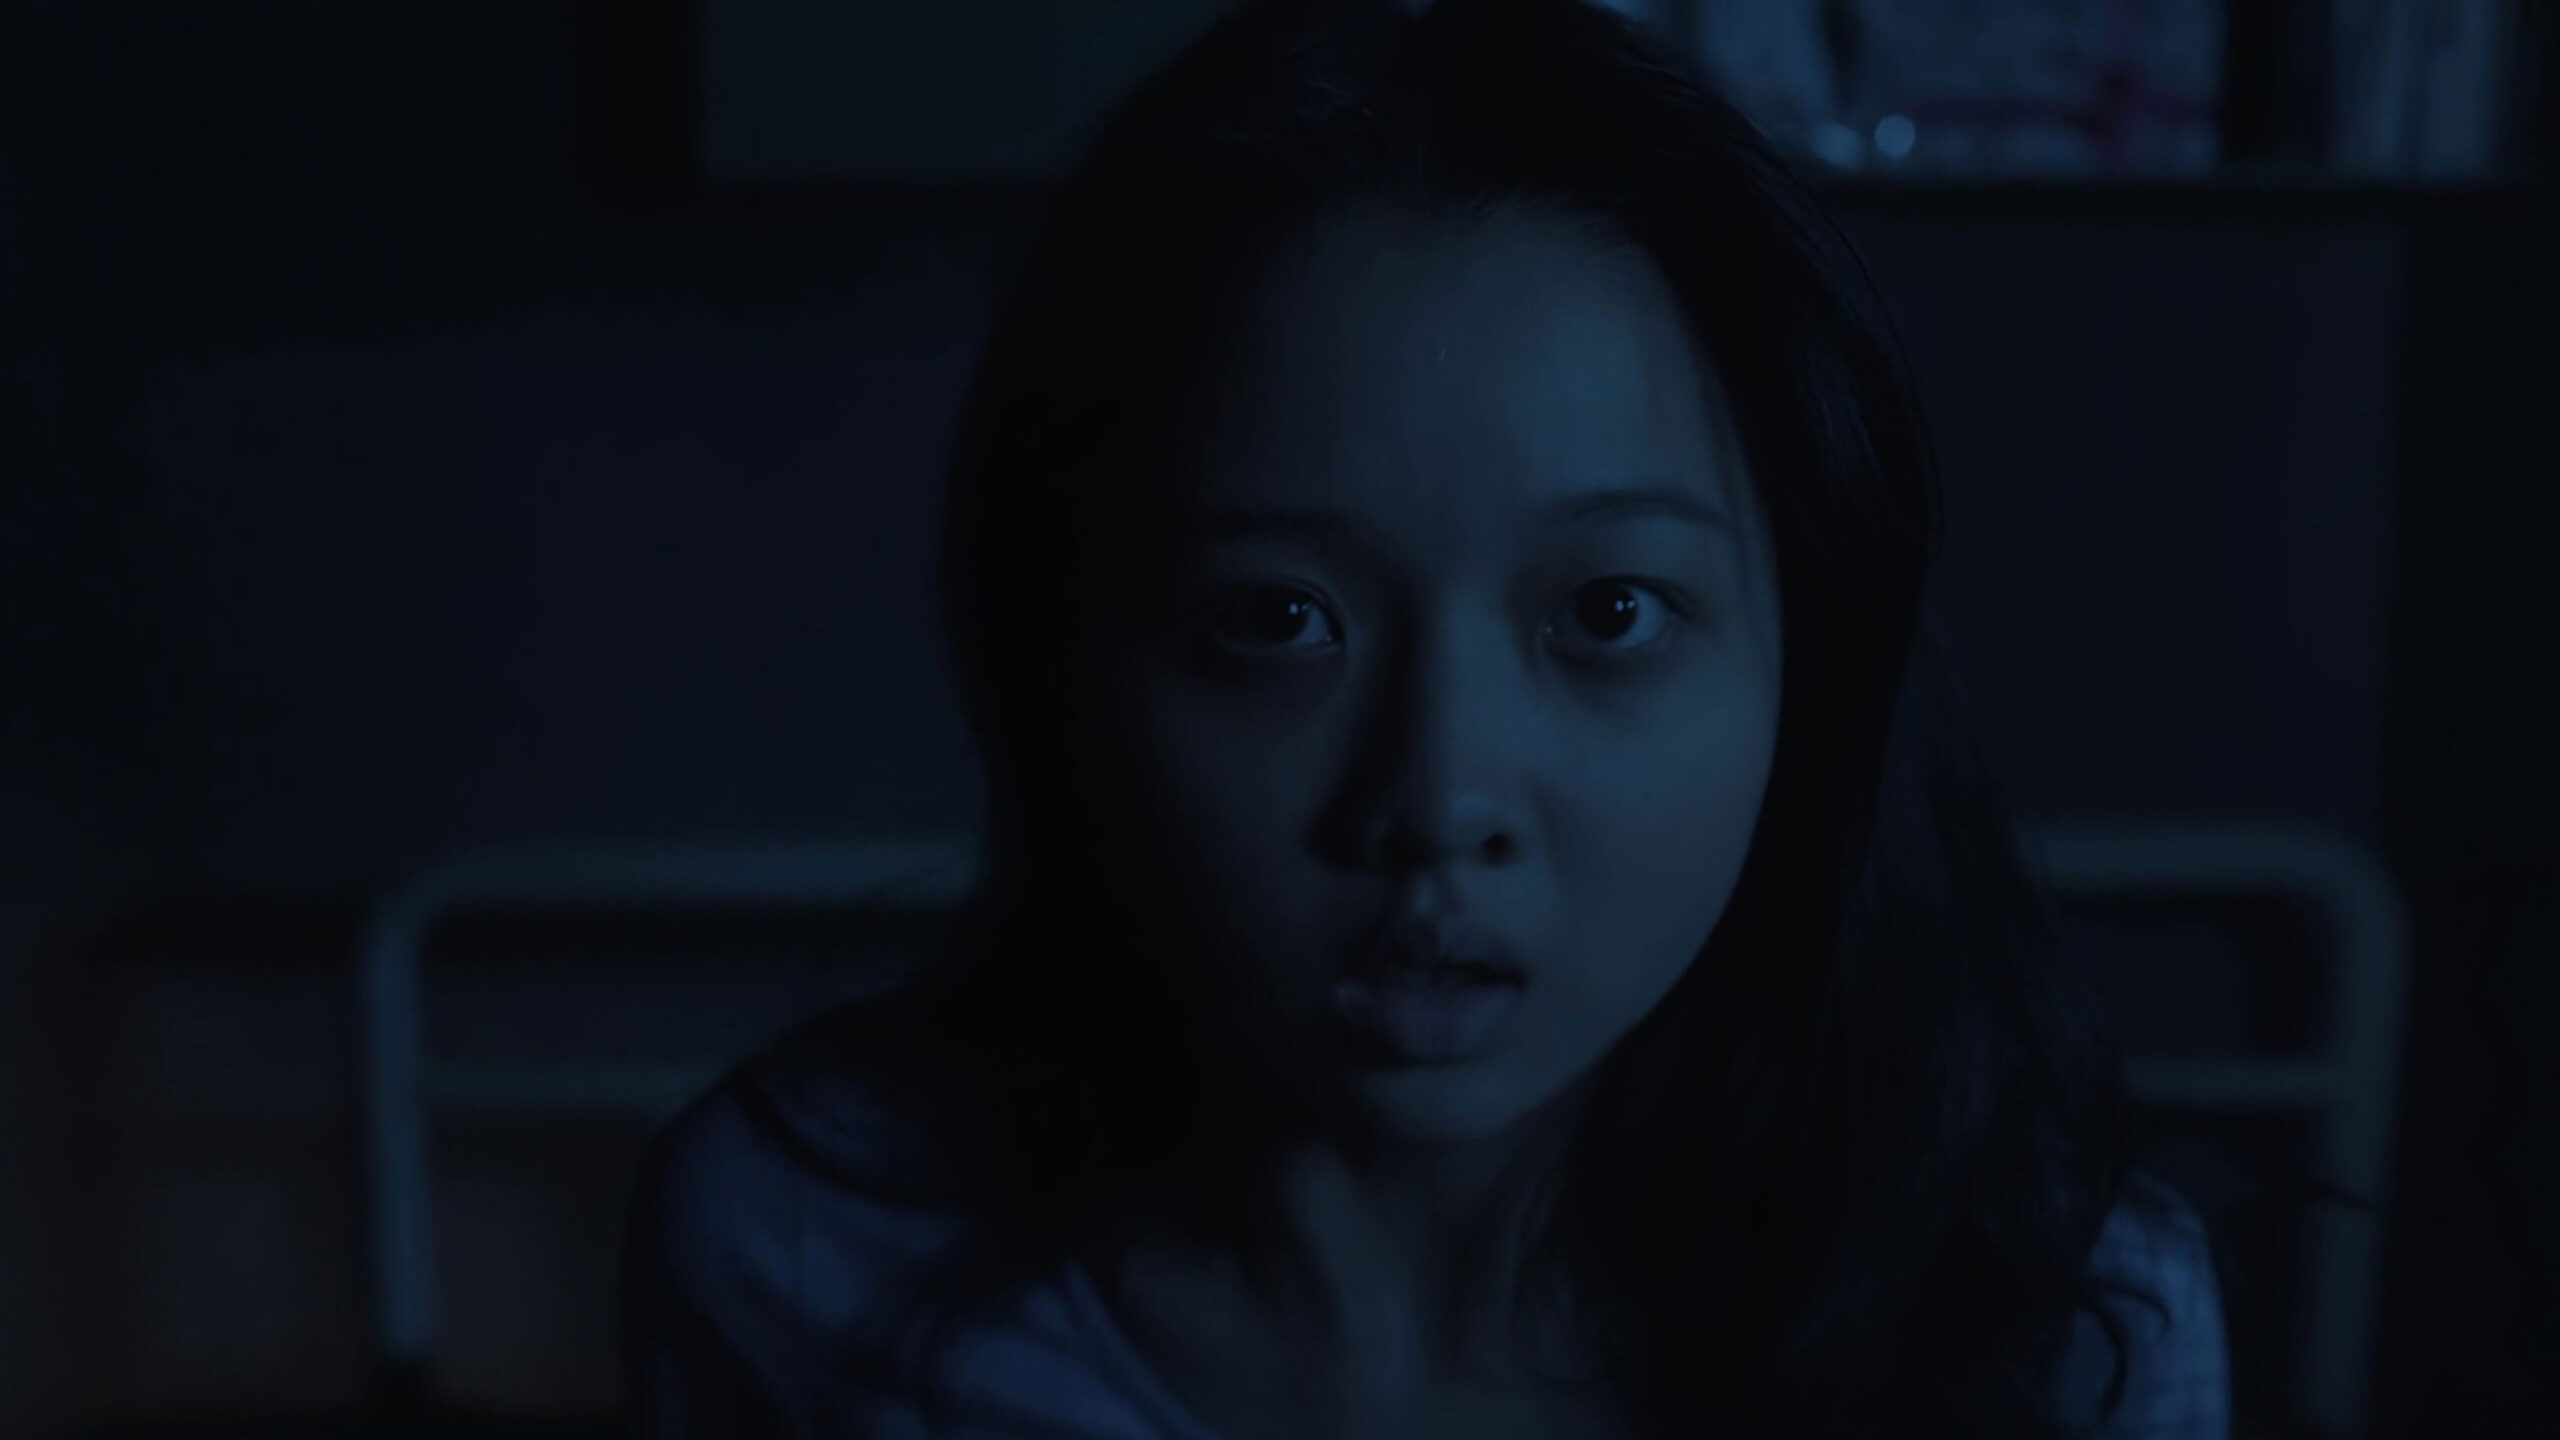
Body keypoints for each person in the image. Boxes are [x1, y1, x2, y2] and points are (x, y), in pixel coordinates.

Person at [620, 1, 2232, 1436]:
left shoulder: (2060, 1328)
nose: (1440, 798)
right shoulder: (811, 1248)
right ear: (1073, 663)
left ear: (1807, 659)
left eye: (1609, 614)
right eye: (1278, 620)